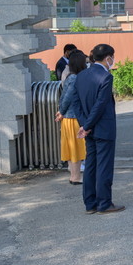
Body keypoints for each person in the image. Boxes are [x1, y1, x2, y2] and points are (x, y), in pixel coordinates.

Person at [72, 44, 124, 214]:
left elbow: (76, 102)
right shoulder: (106, 77)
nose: (113, 61)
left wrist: (85, 124)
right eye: (112, 57)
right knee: (104, 167)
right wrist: (87, 125)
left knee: (91, 166)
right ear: (108, 57)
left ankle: (90, 203)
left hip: (88, 128)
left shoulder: (81, 76)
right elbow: (101, 104)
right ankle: (104, 203)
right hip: (103, 127)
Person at [55, 50, 87, 185]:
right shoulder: (75, 78)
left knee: (70, 147)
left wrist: (60, 110)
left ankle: (73, 174)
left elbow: (63, 96)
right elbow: (69, 97)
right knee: (76, 148)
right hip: (73, 118)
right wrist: (61, 111)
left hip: (67, 117)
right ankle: (75, 176)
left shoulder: (69, 76)